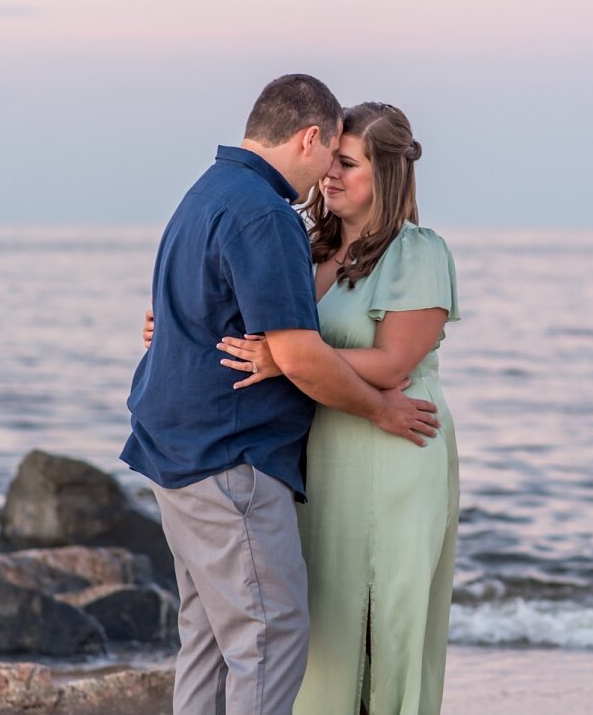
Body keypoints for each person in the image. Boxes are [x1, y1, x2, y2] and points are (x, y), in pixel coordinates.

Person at [122, 74, 439, 715]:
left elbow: (190, 309)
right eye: (332, 157)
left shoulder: (207, 191)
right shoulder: (265, 214)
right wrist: (380, 408)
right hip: (227, 456)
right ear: (309, 137)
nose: (326, 175)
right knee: (271, 635)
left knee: (210, 639)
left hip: (177, 449)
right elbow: (298, 357)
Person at [214, 102, 459, 715]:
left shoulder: (416, 251)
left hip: (393, 449)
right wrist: (170, 323)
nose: (330, 175)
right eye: (330, 160)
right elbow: (253, 323)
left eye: (348, 163)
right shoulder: (306, 247)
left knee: (385, 620)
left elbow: (394, 362)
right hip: (320, 452)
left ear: (388, 175)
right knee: (321, 620)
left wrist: (284, 359)